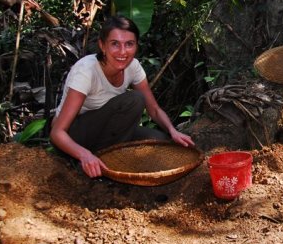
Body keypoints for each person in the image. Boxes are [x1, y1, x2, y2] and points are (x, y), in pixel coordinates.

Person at [50, 16, 195, 178]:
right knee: (134, 100)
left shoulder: (133, 67)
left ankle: (110, 161)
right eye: (115, 44)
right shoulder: (86, 71)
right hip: (73, 135)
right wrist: (84, 155)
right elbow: (57, 133)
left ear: (136, 46)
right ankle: (96, 164)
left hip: (108, 130)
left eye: (129, 44)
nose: (123, 52)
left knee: (159, 140)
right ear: (102, 46)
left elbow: (153, 109)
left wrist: (172, 130)